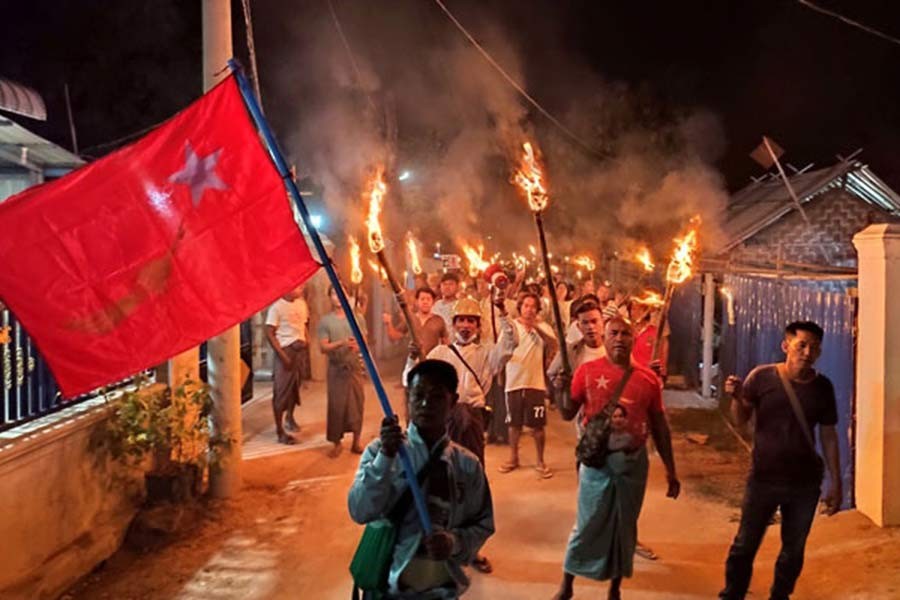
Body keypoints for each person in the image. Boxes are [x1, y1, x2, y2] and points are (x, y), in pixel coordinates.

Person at [554, 316, 680, 600]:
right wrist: (559, 388)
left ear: (634, 339)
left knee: (624, 527)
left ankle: (615, 589)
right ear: (605, 337)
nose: (620, 339)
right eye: (614, 333)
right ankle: (566, 585)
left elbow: (660, 426)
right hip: (596, 463)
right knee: (587, 524)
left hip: (632, 465)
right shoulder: (587, 371)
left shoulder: (647, 379)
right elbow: (566, 413)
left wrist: (671, 470)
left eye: (625, 334)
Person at [348, 359, 495, 599]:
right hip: (387, 589)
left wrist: (454, 543)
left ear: (453, 402)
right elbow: (359, 510)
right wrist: (385, 458)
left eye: (437, 397)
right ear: (408, 398)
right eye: (418, 395)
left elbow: (483, 524)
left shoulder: (467, 466)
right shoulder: (380, 453)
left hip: (441, 591)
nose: (426, 404)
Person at [719, 321, 842, 600]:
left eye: (814, 347)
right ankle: (733, 593)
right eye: (801, 345)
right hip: (763, 479)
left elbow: (829, 435)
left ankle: (780, 595)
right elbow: (740, 420)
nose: (807, 352)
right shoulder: (761, 377)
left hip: (804, 484)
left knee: (793, 550)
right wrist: (736, 397)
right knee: (744, 545)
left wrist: (836, 482)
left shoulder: (823, 388)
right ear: (786, 346)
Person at [404, 296, 516, 575]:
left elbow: (510, 344)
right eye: (460, 320)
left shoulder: (487, 353)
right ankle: (436, 546)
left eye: (471, 321)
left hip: (472, 423)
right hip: (443, 424)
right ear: (452, 324)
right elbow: (411, 379)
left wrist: (503, 312)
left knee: (471, 487)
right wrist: (412, 357)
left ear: (478, 325)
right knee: (440, 485)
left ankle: (471, 549)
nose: (465, 326)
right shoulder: (440, 353)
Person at [498, 292, 558, 478]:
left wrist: (536, 327)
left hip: (535, 383)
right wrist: (500, 374)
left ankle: (540, 460)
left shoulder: (544, 327)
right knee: (514, 424)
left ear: (538, 309)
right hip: (514, 381)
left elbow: (553, 344)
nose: (529, 310)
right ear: (520, 307)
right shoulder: (511, 326)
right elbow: (502, 351)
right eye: (526, 306)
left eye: (533, 306)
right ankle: (513, 457)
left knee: (537, 426)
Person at [318, 285, 366, 457]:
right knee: (336, 406)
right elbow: (323, 347)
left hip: (354, 367)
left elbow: (364, 341)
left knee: (357, 404)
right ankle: (336, 443)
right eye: (334, 293)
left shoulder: (357, 318)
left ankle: (356, 442)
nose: (338, 297)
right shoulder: (326, 321)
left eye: (341, 293)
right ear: (330, 297)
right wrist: (342, 343)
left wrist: (357, 345)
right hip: (336, 368)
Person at [264, 284, 308, 444]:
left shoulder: (301, 304)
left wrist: (307, 340)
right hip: (286, 351)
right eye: (298, 286)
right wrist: (283, 356)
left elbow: (303, 325)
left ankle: (290, 417)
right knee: (281, 391)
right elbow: (269, 333)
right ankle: (279, 431)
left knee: (294, 388)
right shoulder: (277, 307)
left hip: (299, 351)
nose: (302, 288)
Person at [385, 287, 449, 358]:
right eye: (422, 299)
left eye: (428, 299)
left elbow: (446, 343)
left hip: (432, 360)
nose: (425, 302)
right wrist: (388, 323)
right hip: (413, 360)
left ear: (433, 302)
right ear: (417, 301)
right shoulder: (410, 319)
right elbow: (395, 336)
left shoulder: (439, 320)